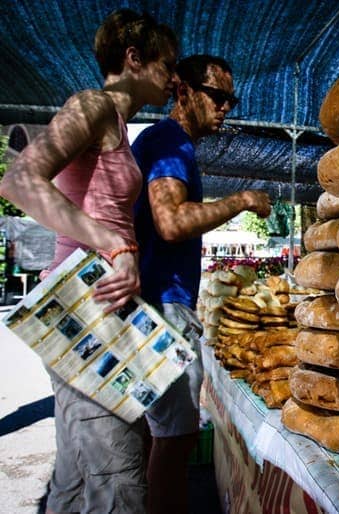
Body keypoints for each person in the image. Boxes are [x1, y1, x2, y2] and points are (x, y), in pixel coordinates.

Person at [0, 9, 178, 514]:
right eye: (167, 63)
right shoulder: (92, 104)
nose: (172, 76)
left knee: (78, 471)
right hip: (86, 304)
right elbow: (18, 181)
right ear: (134, 58)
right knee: (119, 476)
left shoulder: (117, 123)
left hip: (105, 303)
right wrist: (113, 244)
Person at [131, 54, 271, 514]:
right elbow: (170, 222)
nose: (227, 106)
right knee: (177, 439)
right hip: (162, 303)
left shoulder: (171, 144)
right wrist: (241, 200)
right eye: (218, 95)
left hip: (158, 300)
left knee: (158, 437)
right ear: (184, 92)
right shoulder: (169, 142)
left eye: (231, 98)